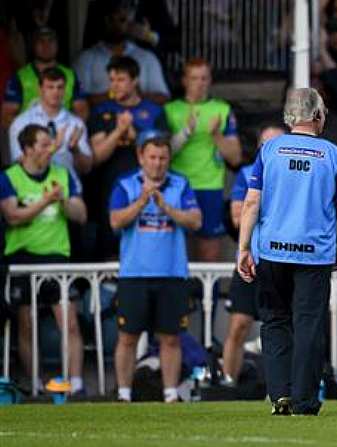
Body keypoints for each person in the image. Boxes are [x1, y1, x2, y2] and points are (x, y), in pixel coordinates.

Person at [237, 88, 337, 416]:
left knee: (274, 322)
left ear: (290, 117)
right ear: (317, 116)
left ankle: (279, 396)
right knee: (308, 325)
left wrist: (244, 247)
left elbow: (251, 202)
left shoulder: (270, 149)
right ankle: (305, 399)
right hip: (314, 254)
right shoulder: (333, 155)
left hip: (272, 251)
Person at [109, 130, 202, 403]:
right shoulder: (125, 185)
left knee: (170, 337)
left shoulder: (180, 184)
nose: (158, 163)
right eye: (152, 157)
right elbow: (115, 221)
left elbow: (196, 221)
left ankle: (170, 393)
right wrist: (141, 201)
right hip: (134, 273)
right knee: (127, 336)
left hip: (172, 273)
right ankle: (124, 394)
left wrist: (166, 207)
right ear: (141, 157)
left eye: (163, 157)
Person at [0, 124, 87, 394]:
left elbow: (81, 215)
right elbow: (12, 216)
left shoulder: (62, 173)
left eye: (51, 144)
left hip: (57, 257)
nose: (51, 149)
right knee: (27, 326)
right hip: (23, 258)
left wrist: (62, 201)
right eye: (44, 145)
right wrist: (45, 201)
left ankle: (76, 384)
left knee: (70, 322)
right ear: (27, 149)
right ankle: (35, 385)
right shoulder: (9, 177)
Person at [220, 125, 284, 386]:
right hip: (252, 259)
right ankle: (227, 383)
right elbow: (237, 217)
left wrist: (258, 208)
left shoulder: (293, 175)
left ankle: (280, 386)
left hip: (281, 260)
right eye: (266, 143)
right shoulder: (247, 173)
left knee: (281, 327)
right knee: (238, 325)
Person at [88, 55, 168, 259]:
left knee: (145, 241)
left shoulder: (153, 111)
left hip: (146, 188)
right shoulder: (101, 111)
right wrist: (117, 132)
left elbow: (162, 152)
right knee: (110, 243)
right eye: (112, 80)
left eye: (121, 80)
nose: (115, 85)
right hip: (109, 186)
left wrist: (133, 134)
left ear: (135, 81)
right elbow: (96, 156)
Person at [165, 58, 242, 261]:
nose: (200, 83)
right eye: (194, 78)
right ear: (184, 81)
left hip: (210, 185)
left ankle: (209, 294)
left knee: (209, 250)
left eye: (204, 78)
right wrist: (186, 132)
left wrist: (216, 135)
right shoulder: (170, 110)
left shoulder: (222, 109)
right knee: (173, 248)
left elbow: (235, 157)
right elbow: (160, 153)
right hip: (176, 184)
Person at [73, 0, 170, 105]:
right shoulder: (85, 59)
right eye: (111, 19)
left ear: (129, 23)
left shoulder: (147, 58)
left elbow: (163, 97)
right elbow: (78, 101)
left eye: (122, 20)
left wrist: (137, 95)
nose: (116, 25)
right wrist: (112, 95)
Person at [8, 67, 93, 178]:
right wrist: (53, 148)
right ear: (40, 89)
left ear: (65, 90)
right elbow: (20, 164)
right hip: (33, 191)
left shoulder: (76, 123)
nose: (55, 92)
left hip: (69, 190)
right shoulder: (21, 123)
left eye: (60, 87)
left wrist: (75, 150)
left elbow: (86, 169)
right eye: (50, 87)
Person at [1, 27, 88, 128]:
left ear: (57, 45)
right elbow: (6, 116)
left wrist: (68, 132)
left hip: (63, 135)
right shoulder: (20, 77)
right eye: (41, 41)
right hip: (30, 139)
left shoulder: (70, 75)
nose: (46, 45)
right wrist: (34, 134)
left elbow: (82, 110)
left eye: (51, 40)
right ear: (33, 45)